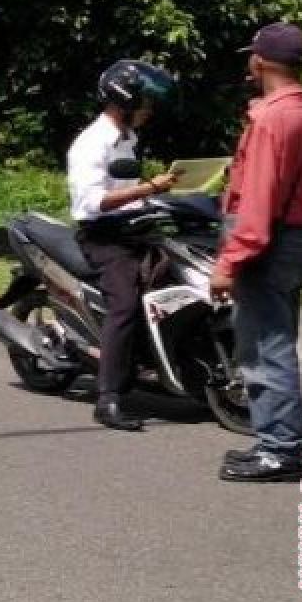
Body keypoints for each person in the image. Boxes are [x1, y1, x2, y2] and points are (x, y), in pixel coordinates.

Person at [210, 23, 302, 483]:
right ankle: (277, 439)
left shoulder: (272, 118)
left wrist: (228, 262)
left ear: (260, 62)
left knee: (264, 350)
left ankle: (278, 450)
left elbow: (257, 201)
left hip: (267, 243)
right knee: (278, 344)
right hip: (295, 238)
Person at [67, 59, 180, 431]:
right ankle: (110, 396)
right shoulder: (92, 143)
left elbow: (127, 194)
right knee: (126, 303)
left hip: (133, 229)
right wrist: (150, 188)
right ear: (124, 102)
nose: (149, 111)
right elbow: (92, 203)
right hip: (103, 237)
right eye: (144, 103)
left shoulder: (127, 139)